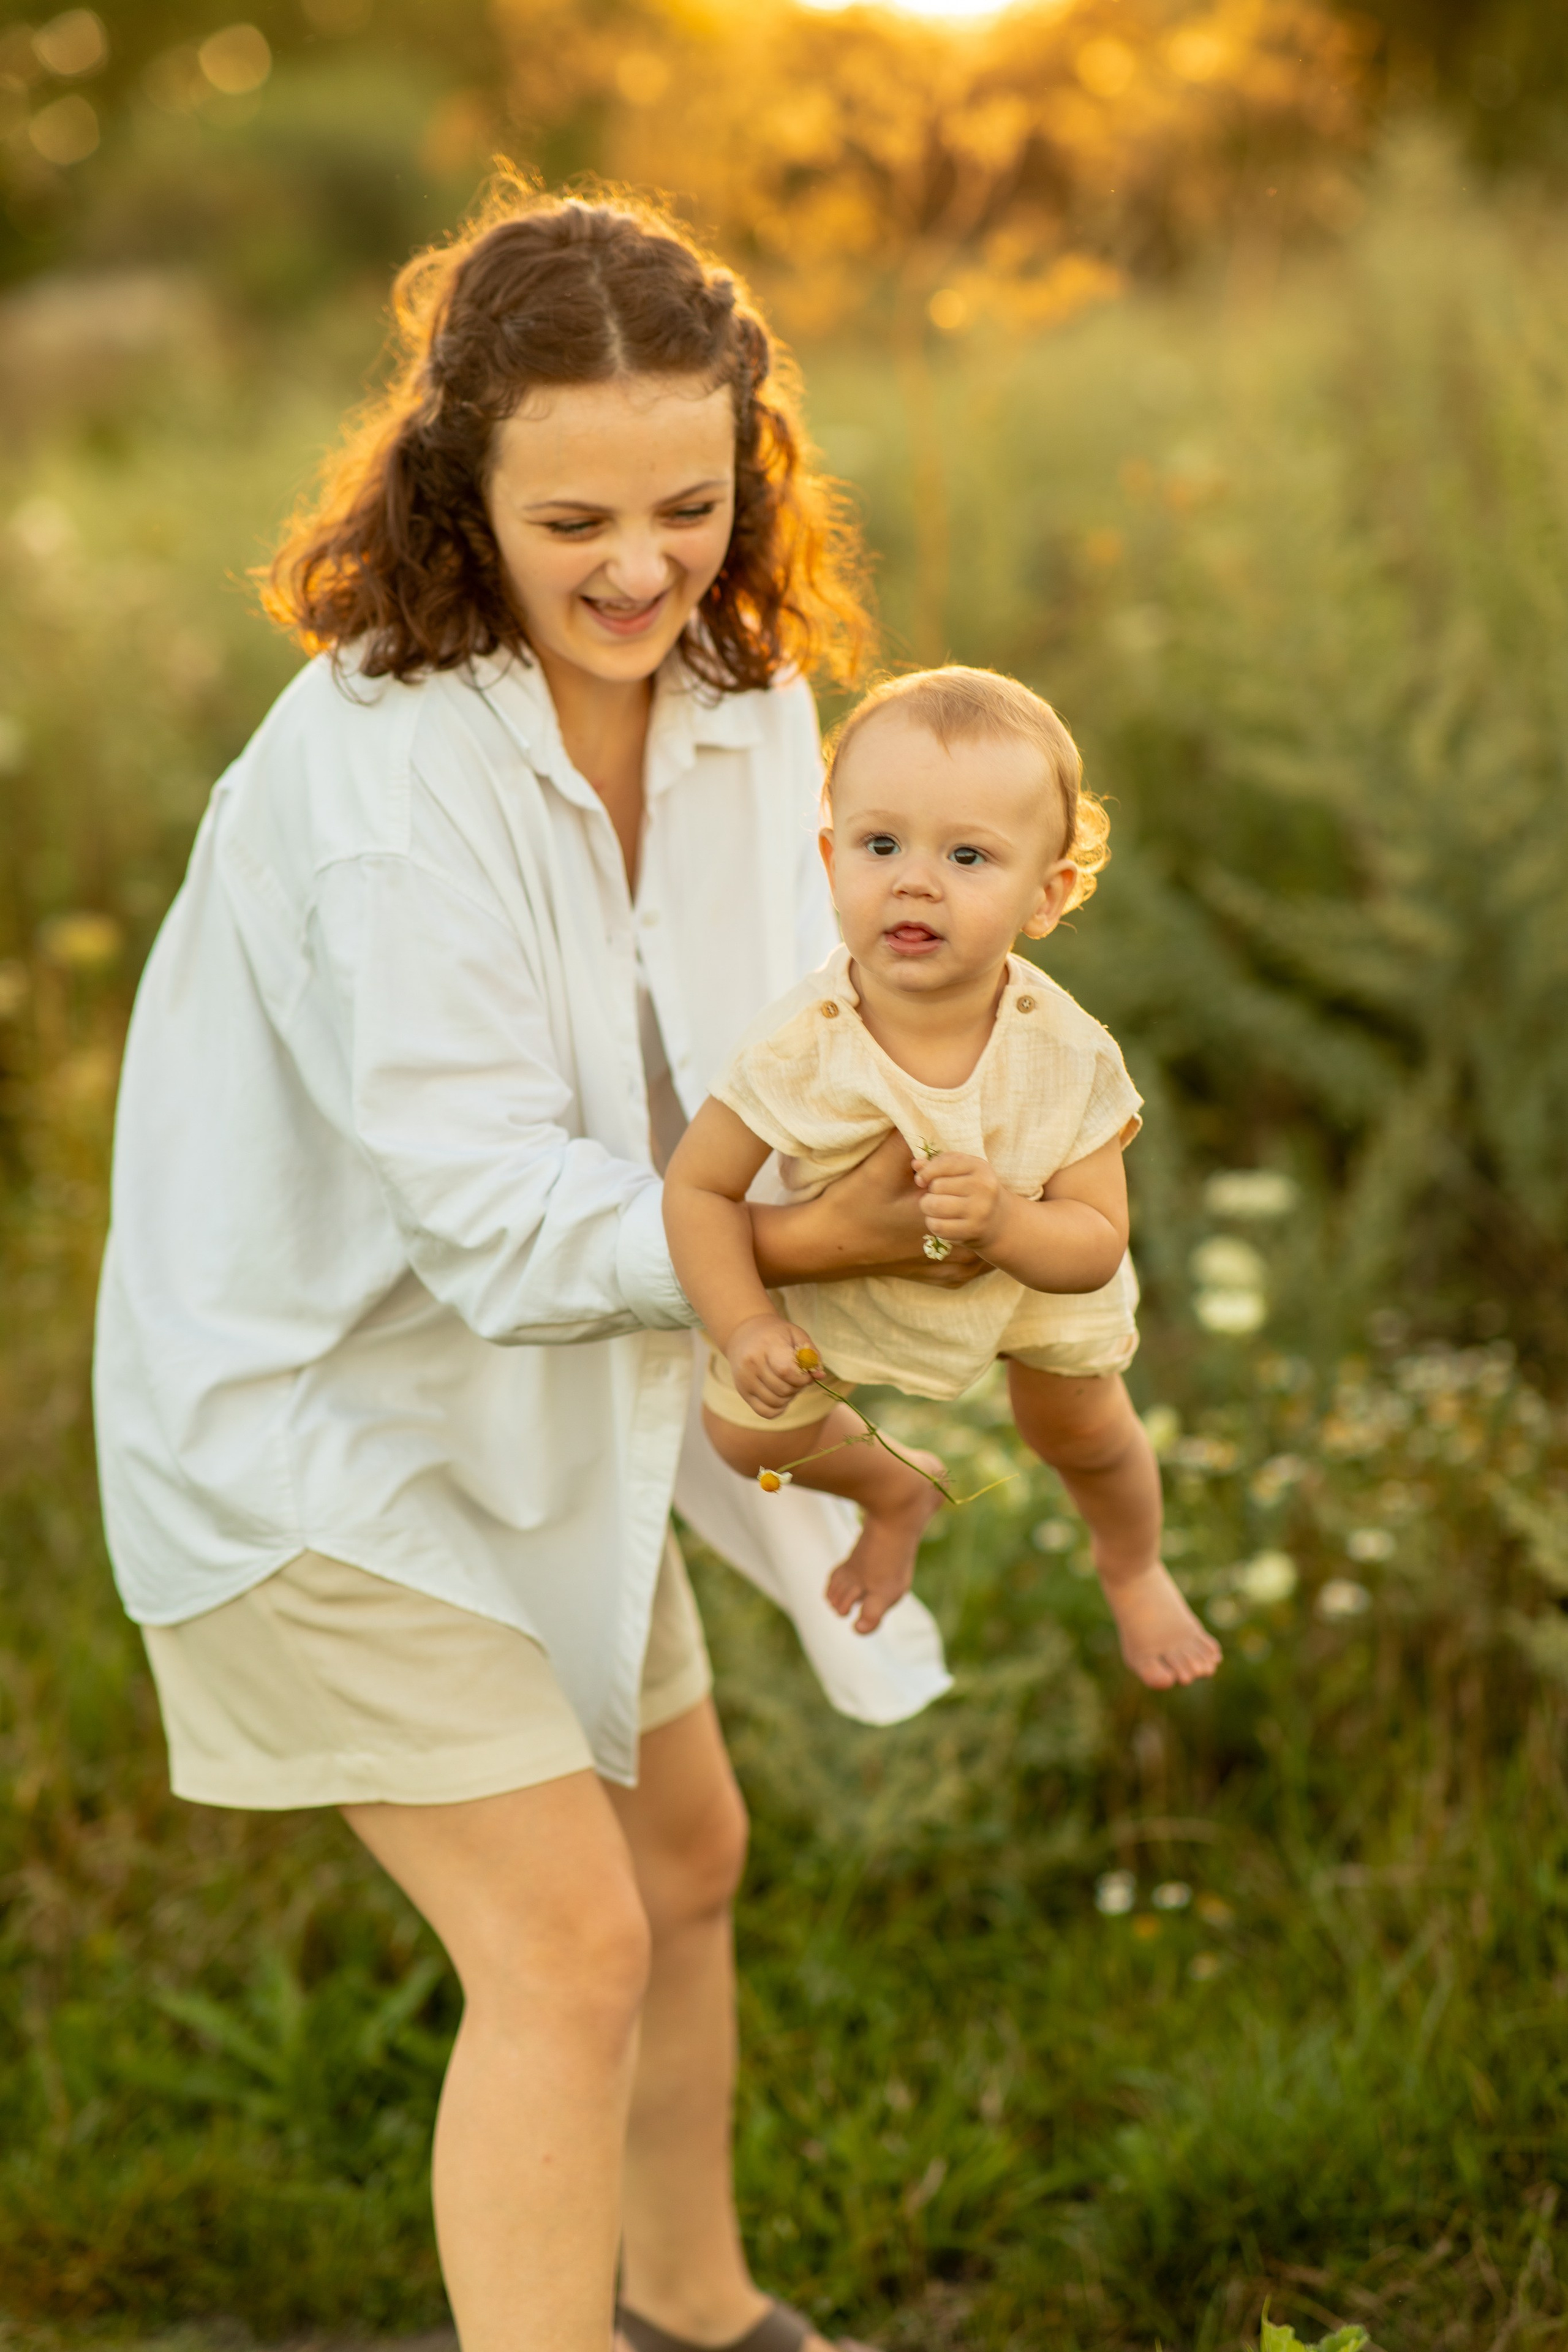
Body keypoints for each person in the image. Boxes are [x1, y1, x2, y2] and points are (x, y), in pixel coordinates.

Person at [92, 185, 973, 2352]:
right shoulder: (389, 779)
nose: (640, 567)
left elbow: (772, 1059)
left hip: (560, 1399)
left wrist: (896, 1273)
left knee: (684, 1863)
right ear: (455, 486)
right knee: (567, 1941)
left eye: (689, 503)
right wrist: (788, 1247)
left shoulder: (749, 696)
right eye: (572, 516)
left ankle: (699, 2310)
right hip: (312, 1432)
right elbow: (489, 1213)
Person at [663, 668, 1223, 1691]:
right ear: (830, 862)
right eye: (881, 846)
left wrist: (1009, 1223)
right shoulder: (798, 1047)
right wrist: (746, 1324)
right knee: (744, 1434)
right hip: (850, 1274)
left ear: (1046, 895)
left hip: (1034, 1270)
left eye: (968, 856)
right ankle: (895, 1493)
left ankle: (1133, 1566)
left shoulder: (1068, 1052)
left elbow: (1096, 1243)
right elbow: (696, 1192)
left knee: (1081, 1428)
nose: (915, 882)